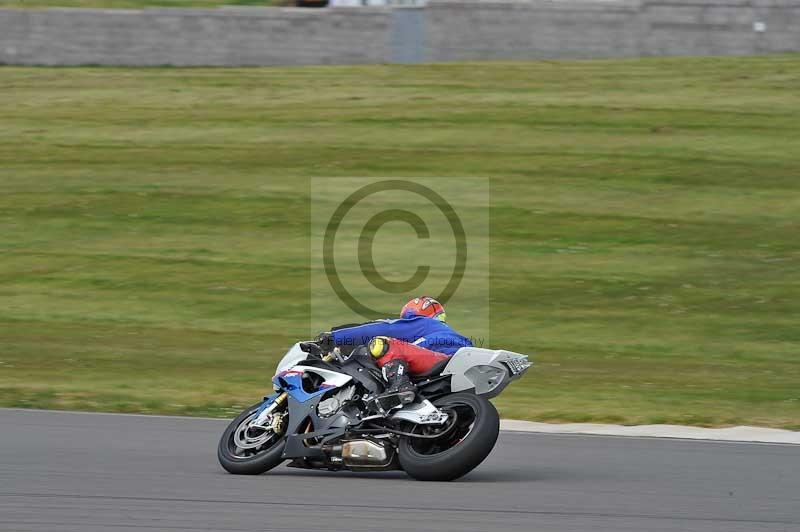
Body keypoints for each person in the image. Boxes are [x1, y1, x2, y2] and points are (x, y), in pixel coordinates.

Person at [317, 296, 473, 411]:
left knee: (380, 343)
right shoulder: (455, 336)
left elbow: (379, 329)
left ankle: (400, 385)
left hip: (438, 362)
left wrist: (334, 337)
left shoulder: (422, 323)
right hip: (458, 377)